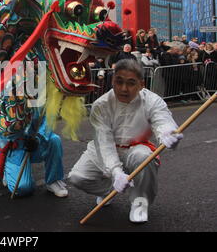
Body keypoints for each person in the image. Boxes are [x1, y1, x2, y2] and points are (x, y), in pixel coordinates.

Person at [68, 59, 183, 223]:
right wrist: (115, 172)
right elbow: (104, 141)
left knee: (144, 157)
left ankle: (140, 202)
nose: (123, 88)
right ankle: (109, 190)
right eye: (119, 82)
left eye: (130, 83)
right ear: (112, 80)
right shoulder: (101, 105)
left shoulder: (153, 101)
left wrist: (168, 133)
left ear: (141, 84)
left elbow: (162, 120)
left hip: (136, 147)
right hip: (102, 148)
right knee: (77, 177)